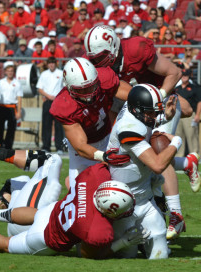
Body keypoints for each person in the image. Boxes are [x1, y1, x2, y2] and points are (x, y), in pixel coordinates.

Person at [0, 125, 148, 259]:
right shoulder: (99, 230)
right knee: (7, 246)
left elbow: (74, 179)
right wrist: (123, 243)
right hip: (44, 238)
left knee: (36, 213)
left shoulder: (94, 178)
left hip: (49, 213)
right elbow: (86, 253)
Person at [83, 25, 199, 240]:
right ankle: (185, 164)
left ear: (114, 48)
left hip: (155, 100)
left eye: (101, 57)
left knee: (158, 149)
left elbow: (174, 72)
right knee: (135, 157)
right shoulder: (97, 67)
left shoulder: (136, 49)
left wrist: (158, 103)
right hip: (131, 105)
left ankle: (176, 214)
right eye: (94, 59)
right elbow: (113, 101)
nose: (98, 63)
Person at [108, 83, 180, 259]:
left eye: (156, 112)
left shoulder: (135, 112)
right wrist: (176, 142)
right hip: (123, 205)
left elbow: (146, 118)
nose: (154, 116)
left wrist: (165, 116)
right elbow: (157, 165)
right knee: (128, 255)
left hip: (145, 200)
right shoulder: (128, 128)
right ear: (137, 110)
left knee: (160, 254)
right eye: (151, 112)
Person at [50, 57, 132, 187]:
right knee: (78, 191)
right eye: (82, 90)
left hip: (108, 137)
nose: (89, 93)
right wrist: (104, 157)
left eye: (91, 86)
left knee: (120, 185)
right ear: (69, 88)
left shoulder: (104, 78)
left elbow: (134, 96)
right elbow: (81, 147)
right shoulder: (64, 105)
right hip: (84, 147)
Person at [36, 57, 64, 153]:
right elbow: (39, 88)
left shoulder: (60, 73)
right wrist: (48, 96)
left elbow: (65, 87)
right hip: (47, 101)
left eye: (53, 63)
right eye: (50, 63)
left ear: (56, 64)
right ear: (47, 64)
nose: (51, 65)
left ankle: (59, 147)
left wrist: (59, 97)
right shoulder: (44, 74)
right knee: (46, 124)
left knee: (58, 125)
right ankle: (46, 146)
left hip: (58, 101)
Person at [0, 61, 23, 149]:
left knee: (11, 128)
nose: (10, 72)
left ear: (13, 72)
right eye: (8, 71)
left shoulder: (17, 83)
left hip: (12, 107)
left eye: (11, 71)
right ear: (5, 72)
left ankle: (8, 146)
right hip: (2, 106)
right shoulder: (0, 82)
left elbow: (19, 98)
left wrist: (19, 112)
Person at [175, 69, 201, 158]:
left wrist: (197, 115)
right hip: (178, 115)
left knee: (192, 136)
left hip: (190, 116)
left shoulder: (194, 88)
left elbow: (199, 102)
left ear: (189, 76)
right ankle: (179, 156)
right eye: (183, 75)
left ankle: (195, 155)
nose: (184, 77)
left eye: (186, 75)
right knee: (178, 136)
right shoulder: (177, 88)